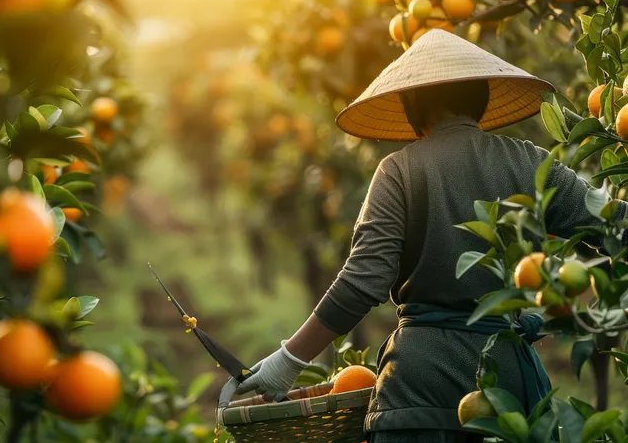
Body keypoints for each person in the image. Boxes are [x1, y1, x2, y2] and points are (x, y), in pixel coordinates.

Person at [233, 29, 616, 442]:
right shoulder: (529, 163)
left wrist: (288, 360)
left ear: (412, 105)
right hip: (506, 386)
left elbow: (364, 281)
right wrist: (568, 311)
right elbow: (617, 228)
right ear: (482, 97)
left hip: (418, 385)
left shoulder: (399, 170)